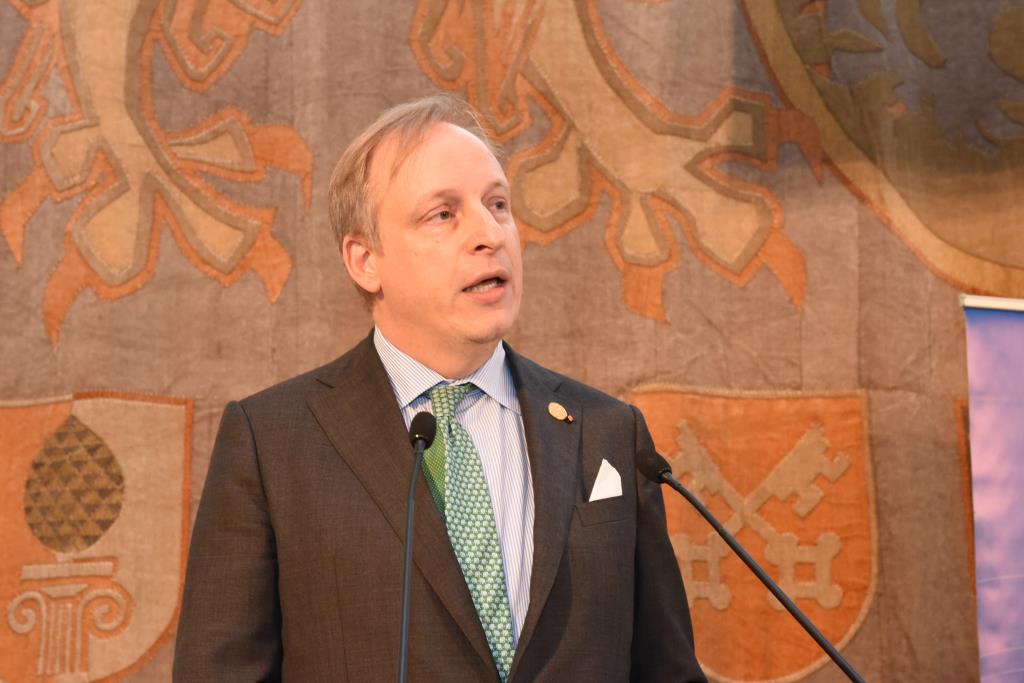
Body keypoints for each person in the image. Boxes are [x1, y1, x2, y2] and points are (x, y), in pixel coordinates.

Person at [173, 95, 705, 682]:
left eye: (497, 205)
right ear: (365, 260)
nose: (489, 234)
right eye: (443, 214)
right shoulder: (273, 443)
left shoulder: (608, 432)